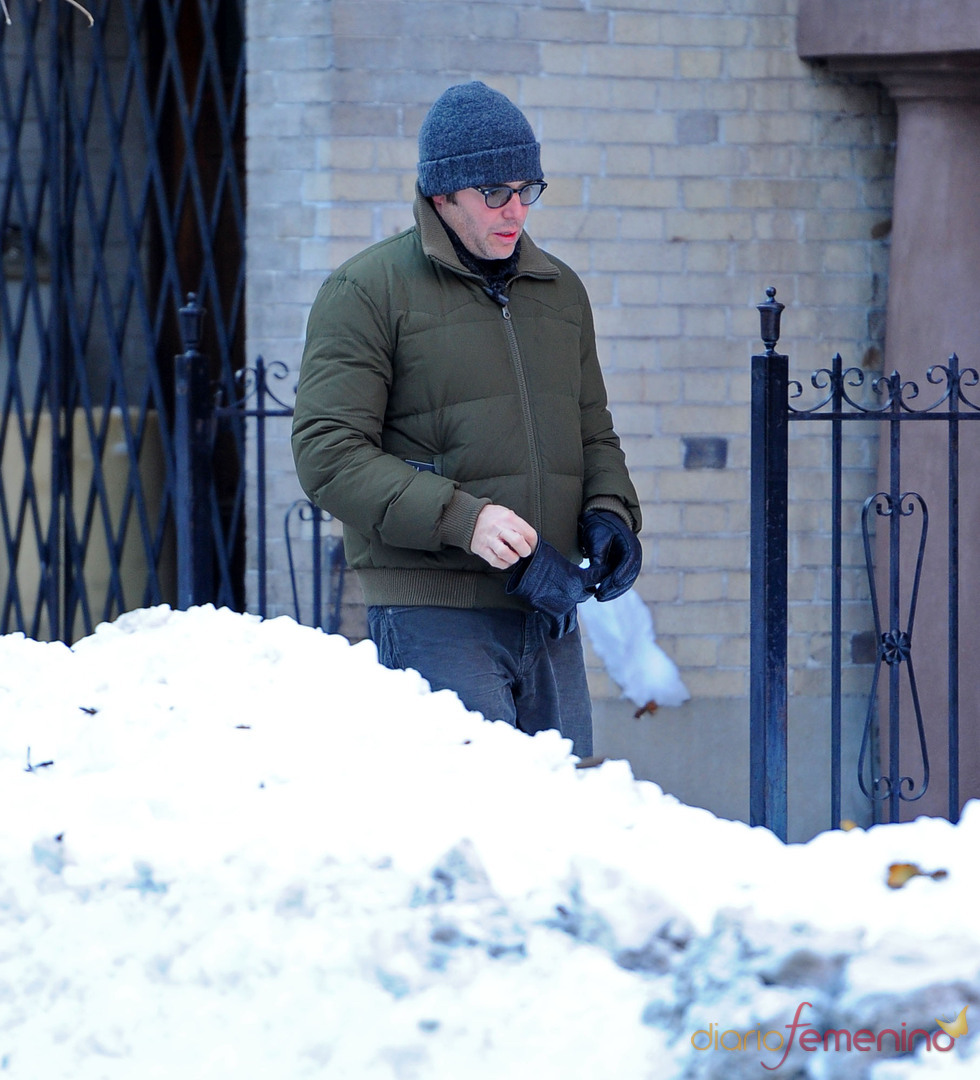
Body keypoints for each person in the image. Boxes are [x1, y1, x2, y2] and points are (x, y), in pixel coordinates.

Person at [292, 81, 641, 758]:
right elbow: (328, 453)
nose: (516, 211)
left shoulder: (559, 292)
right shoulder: (367, 291)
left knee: (566, 831)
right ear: (443, 193)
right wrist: (464, 519)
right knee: (474, 829)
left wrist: (610, 513)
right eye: (495, 193)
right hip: (435, 615)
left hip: (547, 609)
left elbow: (593, 432)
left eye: (528, 189)